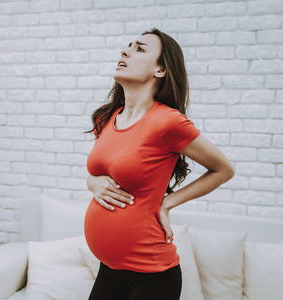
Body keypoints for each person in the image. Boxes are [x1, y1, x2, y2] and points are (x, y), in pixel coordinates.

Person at [83, 28, 235, 300]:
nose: (125, 51)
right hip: (110, 268)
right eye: (128, 46)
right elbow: (105, 170)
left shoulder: (168, 122)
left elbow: (223, 169)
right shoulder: (107, 118)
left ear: (161, 70)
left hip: (150, 274)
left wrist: (167, 203)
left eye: (140, 49)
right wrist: (91, 182)